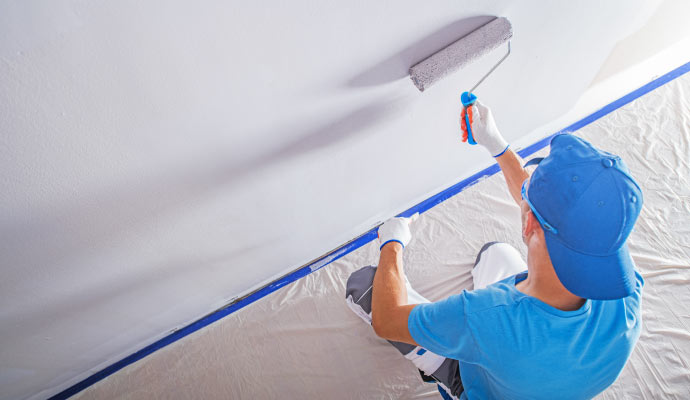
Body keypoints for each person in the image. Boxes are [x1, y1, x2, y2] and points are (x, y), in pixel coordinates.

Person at [345, 101, 644, 399]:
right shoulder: (621, 281)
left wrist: (392, 242)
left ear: (528, 225)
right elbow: (546, 211)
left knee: (363, 286)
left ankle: (448, 375)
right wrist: (497, 146)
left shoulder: (485, 315)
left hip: (484, 384)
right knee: (495, 254)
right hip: (543, 381)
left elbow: (387, 321)